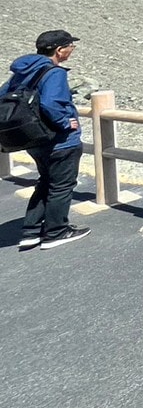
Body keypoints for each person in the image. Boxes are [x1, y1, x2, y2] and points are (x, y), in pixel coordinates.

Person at [7, 30, 90, 250]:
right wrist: (65, 122)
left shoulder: (23, 71)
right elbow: (51, 103)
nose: (72, 50)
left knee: (45, 181)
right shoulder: (54, 73)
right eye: (70, 46)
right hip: (59, 140)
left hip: (33, 139)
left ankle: (31, 231)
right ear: (59, 50)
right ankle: (56, 231)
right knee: (62, 185)